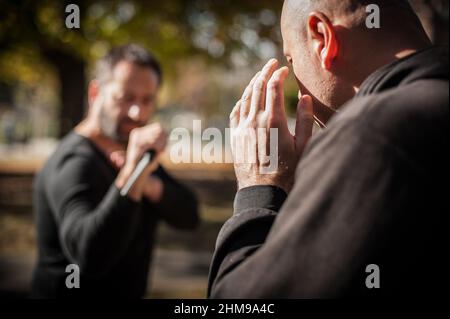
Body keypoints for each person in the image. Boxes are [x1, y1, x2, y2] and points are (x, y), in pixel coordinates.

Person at [208, 0, 448, 297]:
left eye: (291, 60)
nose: (297, 82)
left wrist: (258, 188)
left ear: (322, 37)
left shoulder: (373, 134)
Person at [32, 44, 199, 298]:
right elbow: (90, 256)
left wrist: (149, 184)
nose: (137, 112)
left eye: (147, 100)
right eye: (125, 98)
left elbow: (190, 215)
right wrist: (132, 177)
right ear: (95, 92)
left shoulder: (132, 152)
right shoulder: (73, 162)